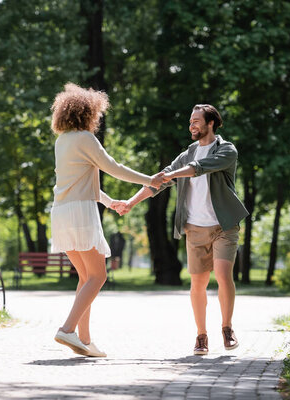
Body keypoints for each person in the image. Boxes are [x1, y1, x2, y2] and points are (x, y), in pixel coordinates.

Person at [115, 104, 249, 355]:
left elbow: (199, 168)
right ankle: (201, 336)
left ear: (211, 123)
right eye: (190, 122)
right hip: (195, 227)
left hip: (224, 225)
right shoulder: (187, 153)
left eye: (196, 121)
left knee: (222, 275)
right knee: (197, 284)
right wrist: (130, 203)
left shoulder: (226, 149)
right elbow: (159, 181)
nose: (192, 126)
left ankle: (227, 328)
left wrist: (168, 175)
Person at [50, 83, 164, 357]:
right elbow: (114, 168)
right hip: (80, 211)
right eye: (96, 113)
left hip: (62, 210)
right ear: (86, 112)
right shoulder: (85, 139)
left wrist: (110, 201)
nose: (98, 118)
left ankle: (85, 340)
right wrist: (151, 180)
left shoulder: (62, 140)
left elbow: (78, 182)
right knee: (98, 276)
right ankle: (67, 329)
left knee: (86, 276)